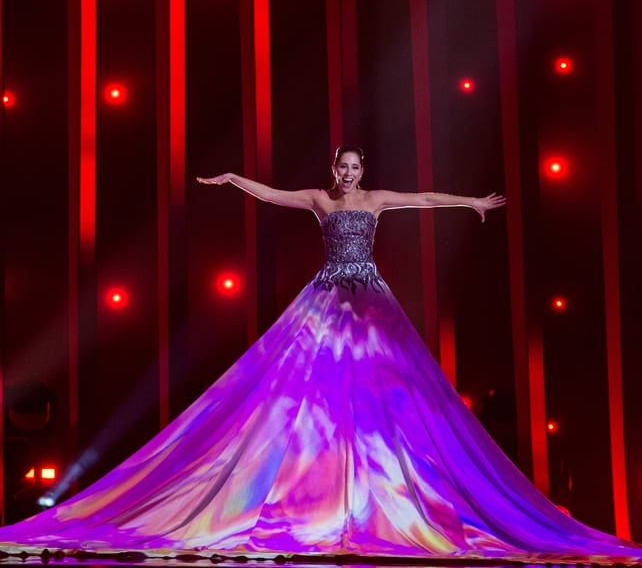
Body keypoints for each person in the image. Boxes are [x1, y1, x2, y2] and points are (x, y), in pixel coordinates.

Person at [0, 145, 638, 562]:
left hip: (372, 304)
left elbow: (420, 201)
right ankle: (319, 495)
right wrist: (232, 180)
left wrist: (468, 202)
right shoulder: (323, 201)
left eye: (356, 169)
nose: (349, 176)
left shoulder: (374, 200)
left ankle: (376, 495)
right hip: (328, 296)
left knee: (390, 398)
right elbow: (275, 195)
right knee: (304, 394)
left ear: (363, 172)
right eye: (344, 168)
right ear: (335, 170)